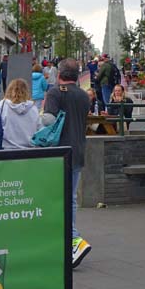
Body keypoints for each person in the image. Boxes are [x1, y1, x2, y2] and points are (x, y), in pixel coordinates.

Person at [42, 58, 90, 268]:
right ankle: (66, 241)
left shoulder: (55, 92)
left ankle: (73, 240)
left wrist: (41, 112)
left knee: (54, 197)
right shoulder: (83, 94)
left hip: (59, 151)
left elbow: (49, 120)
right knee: (70, 197)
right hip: (78, 150)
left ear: (59, 72)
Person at [0, 78, 41, 150]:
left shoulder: (2, 105)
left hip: (7, 149)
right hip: (29, 150)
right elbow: (38, 129)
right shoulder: (33, 108)